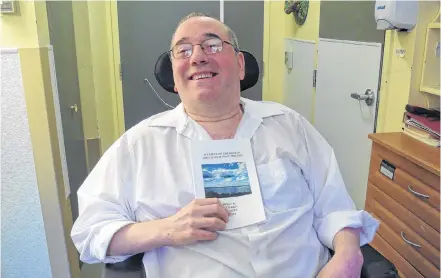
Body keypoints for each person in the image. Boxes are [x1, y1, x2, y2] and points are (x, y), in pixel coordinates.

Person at [71, 13, 379, 278]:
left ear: (240, 65)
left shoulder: (289, 125)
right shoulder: (140, 145)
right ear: (175, 79)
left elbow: (334, 205)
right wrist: (167, 229)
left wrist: (348, 255)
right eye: (183, 50)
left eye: (212, 45)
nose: (198, 56)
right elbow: (90, 233)